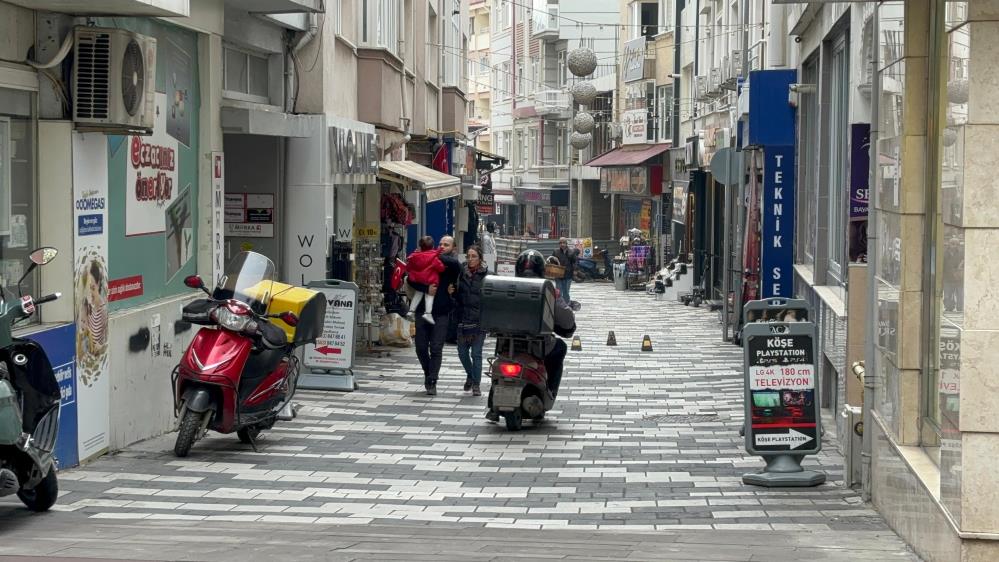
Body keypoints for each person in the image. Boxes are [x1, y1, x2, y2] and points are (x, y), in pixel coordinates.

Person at [486, 249, 576, 421]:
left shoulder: (505, 287)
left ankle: (492, 402)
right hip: (538, 348)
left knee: (500, 361)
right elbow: (566, 320)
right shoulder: (548, 290)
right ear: (541, 269)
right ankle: (549, 389)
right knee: (560, 347)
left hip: (507, 345)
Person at [409, 236, 461, 395]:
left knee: (437, 347)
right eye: (440, 244)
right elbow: (411, 279)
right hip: (422, 310)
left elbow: (457, 266)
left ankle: (432, 380)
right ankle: (428, 373)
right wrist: (425, 289)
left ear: (453, 248)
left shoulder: (450, 263)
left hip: (441, 312)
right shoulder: (425, 259)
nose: (443, 246)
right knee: (420, 347)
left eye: (446, 245)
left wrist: (433, 254)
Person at [456, 245, 488, 396]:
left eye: (473, 256)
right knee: (462, 353)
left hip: (479, 320)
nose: (470, 259)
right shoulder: (461, 273)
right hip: (463, 318)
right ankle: (470, 374)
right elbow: (455, 294)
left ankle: (476, 384)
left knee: (476, 353)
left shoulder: (488, 275)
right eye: (468, 256)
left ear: (480, 258)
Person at [404, 236, 445, 325]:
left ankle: (411, 311)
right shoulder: (434, 258)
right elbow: (441, 268)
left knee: (418, 294)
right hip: (430, 280)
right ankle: (428, 313)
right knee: (429, 296)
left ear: (420, 246)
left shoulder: (415, 257)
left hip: (419, 280)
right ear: (433, 246)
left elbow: (408, 268)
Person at [551, 238, 578, 304]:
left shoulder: (571, 252)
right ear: (559, 244)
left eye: (564, 243)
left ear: (566, 243)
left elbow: (574, 262)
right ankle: (559, 305)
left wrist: (575, 270)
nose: (562, 244)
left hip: (568, 275)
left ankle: (567, 305)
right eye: (560, 243)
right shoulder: (555, 251)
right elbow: (552, 262)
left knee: (566, 292)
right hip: (558, 275)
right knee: (559, 292)